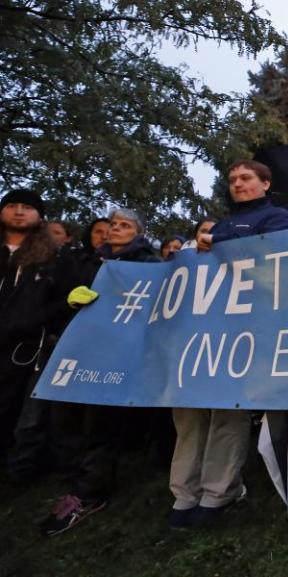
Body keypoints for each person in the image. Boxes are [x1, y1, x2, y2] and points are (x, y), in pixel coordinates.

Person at [169, 160, 288, 529]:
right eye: (233, 180)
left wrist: (219, 244)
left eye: (246, 178)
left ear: (265, 183)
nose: (237, 184)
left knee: (226, 410)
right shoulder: (222, 223)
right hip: (206, 328)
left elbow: (274, 253)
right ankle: (183, 493)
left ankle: (218, 492)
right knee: (190, 413)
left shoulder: (277, 218)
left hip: (244, 328)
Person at [40, 207, 160, 536]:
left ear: (138, 233)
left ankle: (91, 494)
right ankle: (74, 484)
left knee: (101, 424)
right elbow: (52, 307)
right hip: (78, 351)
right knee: (65, 419)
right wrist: (70, 304)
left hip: (116, 356)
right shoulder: (85, 263)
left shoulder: (150, 265)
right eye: (111, 224)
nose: (114, 230)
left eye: (124, 225)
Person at [0, 190, 76, 462]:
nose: (19, 211)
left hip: (26, 351)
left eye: (27, 207)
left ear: (39, 215)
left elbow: (65, 300)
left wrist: (38, 319)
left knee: (18, 415)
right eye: (12, 205)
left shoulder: (54, 259)